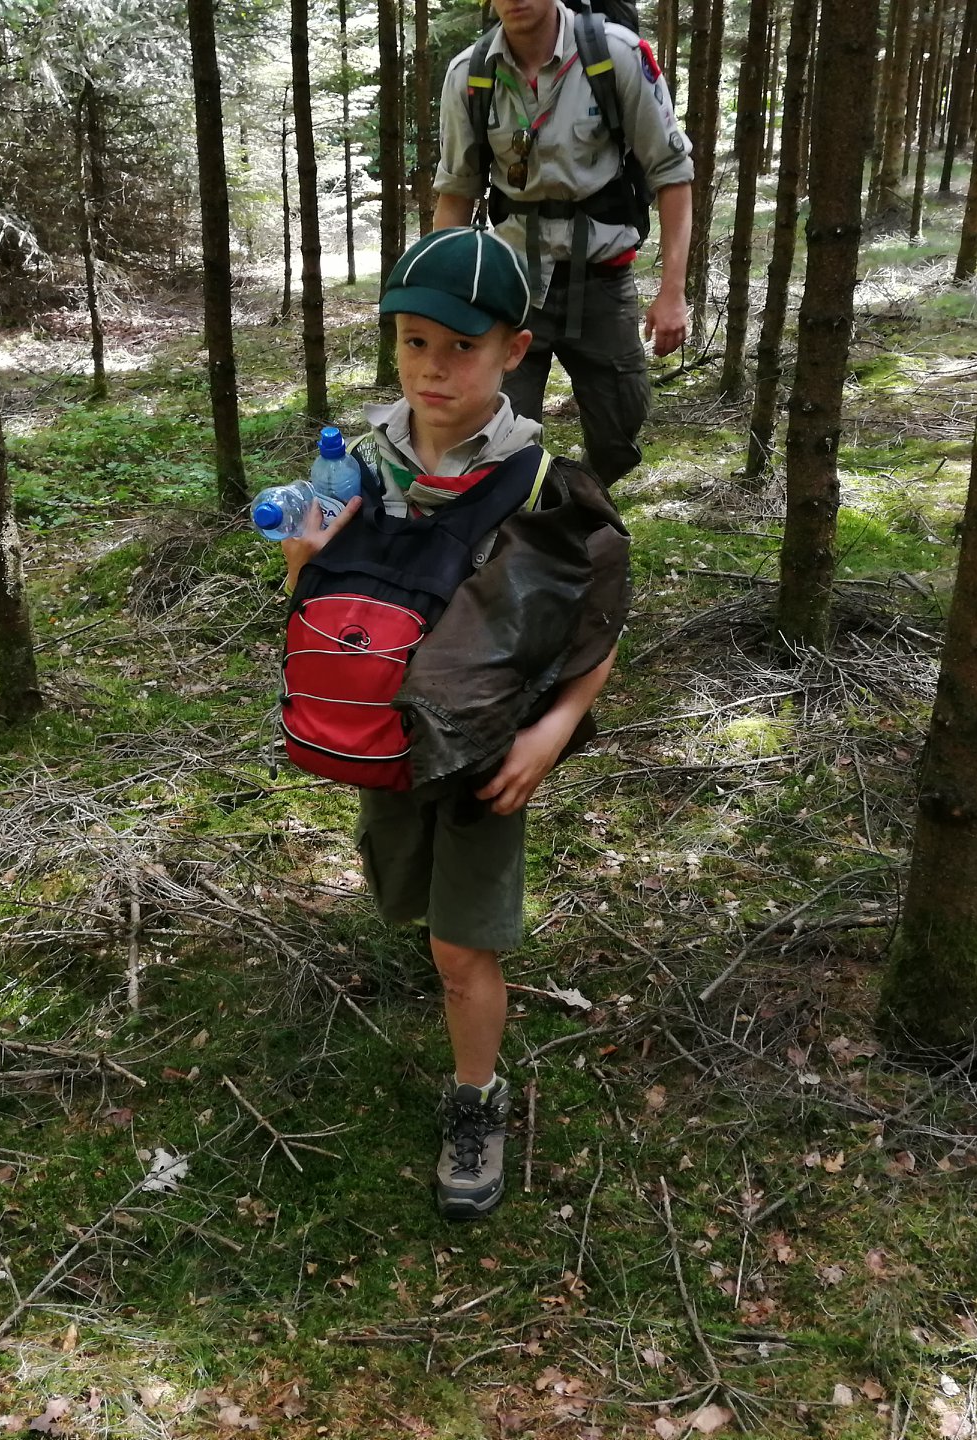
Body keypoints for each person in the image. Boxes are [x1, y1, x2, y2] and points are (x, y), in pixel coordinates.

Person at [281, 227, 630, 1219]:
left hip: (484, 753)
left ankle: (475, 1098)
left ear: (515, 353)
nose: (435, 368)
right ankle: (451, 977)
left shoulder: (538, 485)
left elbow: (596, 623)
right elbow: (314, 601)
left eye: (463, 348)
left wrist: (552, 731)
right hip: (388, 744)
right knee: (410, 905)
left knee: (459, 947)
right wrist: (306, 549)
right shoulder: (357, 464)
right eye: (415, 343)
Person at [432, 0, 694, 487]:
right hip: (510, 287)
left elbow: (673, 176)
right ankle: (530, 525)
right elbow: (456, 191)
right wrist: (436, 298)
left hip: (601, 280)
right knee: (501, 439)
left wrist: (672, 291)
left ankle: (582, 502)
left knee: (619, 434)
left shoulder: (616, 55)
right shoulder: (469, 74)